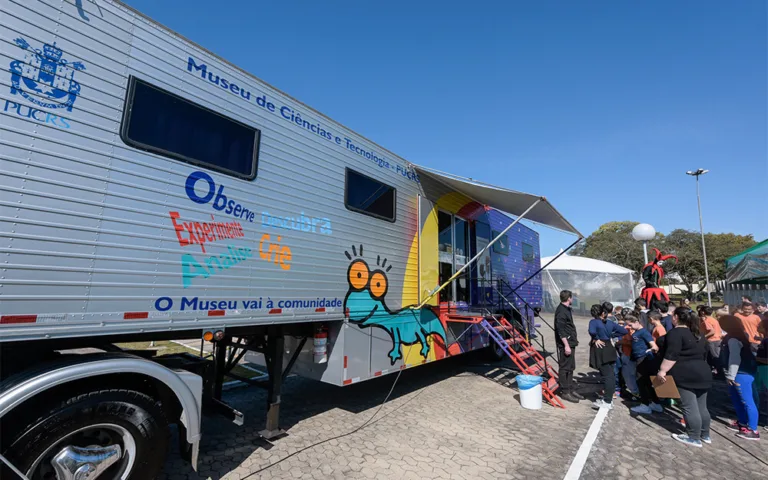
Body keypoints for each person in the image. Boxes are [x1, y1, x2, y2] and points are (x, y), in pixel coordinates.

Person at [656, 307, 712, 447]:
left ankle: (693, 436)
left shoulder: (675, 333)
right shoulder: (698, 333)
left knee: (689, 406)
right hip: (703, 371)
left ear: (675, 317)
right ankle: (705, 434)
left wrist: (662, 371)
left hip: (685, 373)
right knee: (701, 406)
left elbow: (672, 354)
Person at [719, 314, 760, 441]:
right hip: (739, 372)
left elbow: (735, 358)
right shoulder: (740, 336)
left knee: (747, 401)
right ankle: (742, 422)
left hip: (741, 373)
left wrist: (731, 375)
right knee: (737, 399)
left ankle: (753, 429)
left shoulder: (733, 339)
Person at [589, 304, 628, 410]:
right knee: (610, 373)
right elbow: (624, 331)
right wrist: (611, 335)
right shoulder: (610, 323)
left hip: (601, 348)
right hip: (610, 347)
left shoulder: (593, 322)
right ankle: (608, 399)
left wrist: (596, 338)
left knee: (607, 376)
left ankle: (607, 401)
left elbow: (592, 331)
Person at [555, 290, 582, 403]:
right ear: (569, 298)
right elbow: (561, 330)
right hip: (566, 344)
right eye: (572, 298)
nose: (573, 300)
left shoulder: (566, 309)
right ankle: (565, 391)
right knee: (565, 367)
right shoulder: (561, 311)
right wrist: (566, 346)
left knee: (571, 367)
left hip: (571, 342)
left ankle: (570, 388)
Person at [698, 306, 723, 375]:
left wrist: (703, 337)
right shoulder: (713, 319)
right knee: (714, 356)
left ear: (703, 312)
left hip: (712, 340)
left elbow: (712, 331)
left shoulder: (707, 321)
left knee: (715, 357)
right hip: (717, 339)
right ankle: (717, 371)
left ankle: (720, 373)